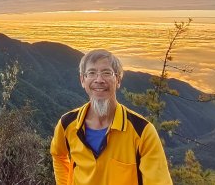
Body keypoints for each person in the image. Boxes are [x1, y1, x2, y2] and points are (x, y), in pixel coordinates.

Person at [50, 49, 172, 185]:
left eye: (106, 73)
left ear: (118, 80)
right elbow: (58, 155)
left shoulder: (142, 132)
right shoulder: (67, 124)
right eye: (91, 73)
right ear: (82, 80)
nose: (99, 80)